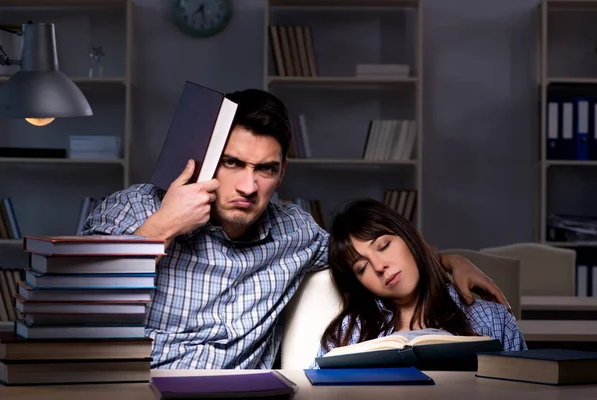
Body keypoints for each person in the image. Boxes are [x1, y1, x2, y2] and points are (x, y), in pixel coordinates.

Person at [80, 88, 511, 369]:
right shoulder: (136, 206)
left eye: (264, 169)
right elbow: (73, 305)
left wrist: (449, 260)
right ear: (208, 158)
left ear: (282, 172)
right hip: (140, 387)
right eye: (233, 164)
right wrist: (163, 228)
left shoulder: (295, 230)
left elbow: (368, 253)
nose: (249, 186)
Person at [312, 198, 527, 368]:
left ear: (408, 236)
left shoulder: (492, 319)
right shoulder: (347, 334)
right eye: (362, 268)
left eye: (384, 246)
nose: (379, 266)